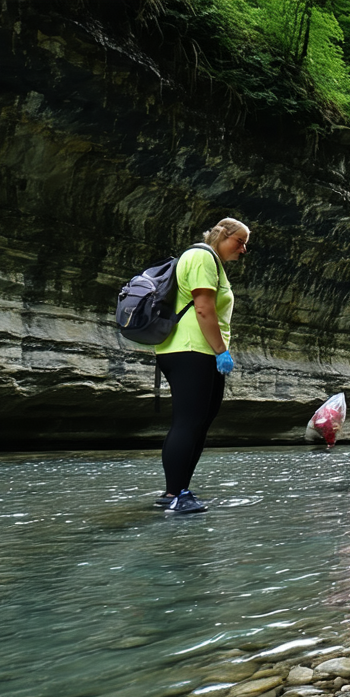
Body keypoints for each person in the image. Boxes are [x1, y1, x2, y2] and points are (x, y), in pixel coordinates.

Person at [153, 218, 248, 513]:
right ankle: (174, 495)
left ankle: (181, 490)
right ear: (222, 235)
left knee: (200, 423)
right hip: (189, 350)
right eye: (240, 241)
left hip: (201, 351)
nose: (244, 249)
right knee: (188, 421)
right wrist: (221, 350)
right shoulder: (201, 257)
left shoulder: (212, 262)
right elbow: (203, 308)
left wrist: (218, 352)